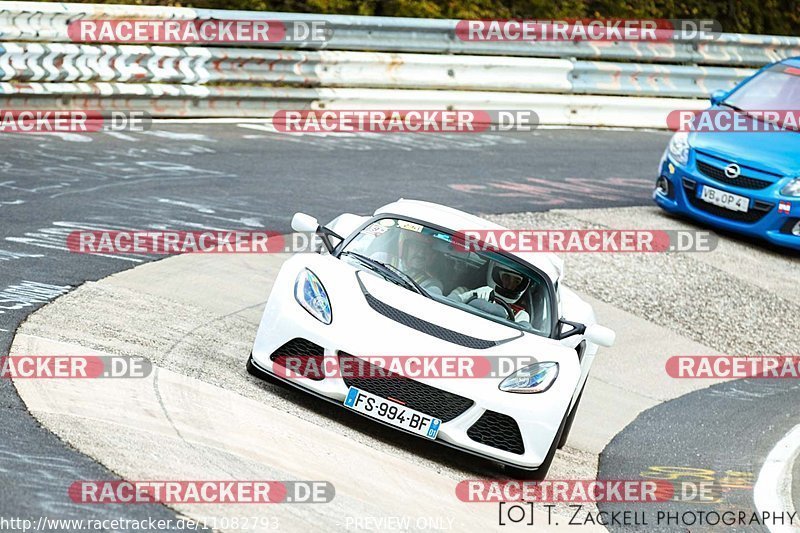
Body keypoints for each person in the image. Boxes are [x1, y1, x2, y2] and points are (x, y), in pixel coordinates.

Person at [450, 260, 530, 324]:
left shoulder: (520, 315)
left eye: (516, 282)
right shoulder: (462, 291)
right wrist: (471, 295)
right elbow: (448, 304)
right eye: (506, 278)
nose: (510, 286)